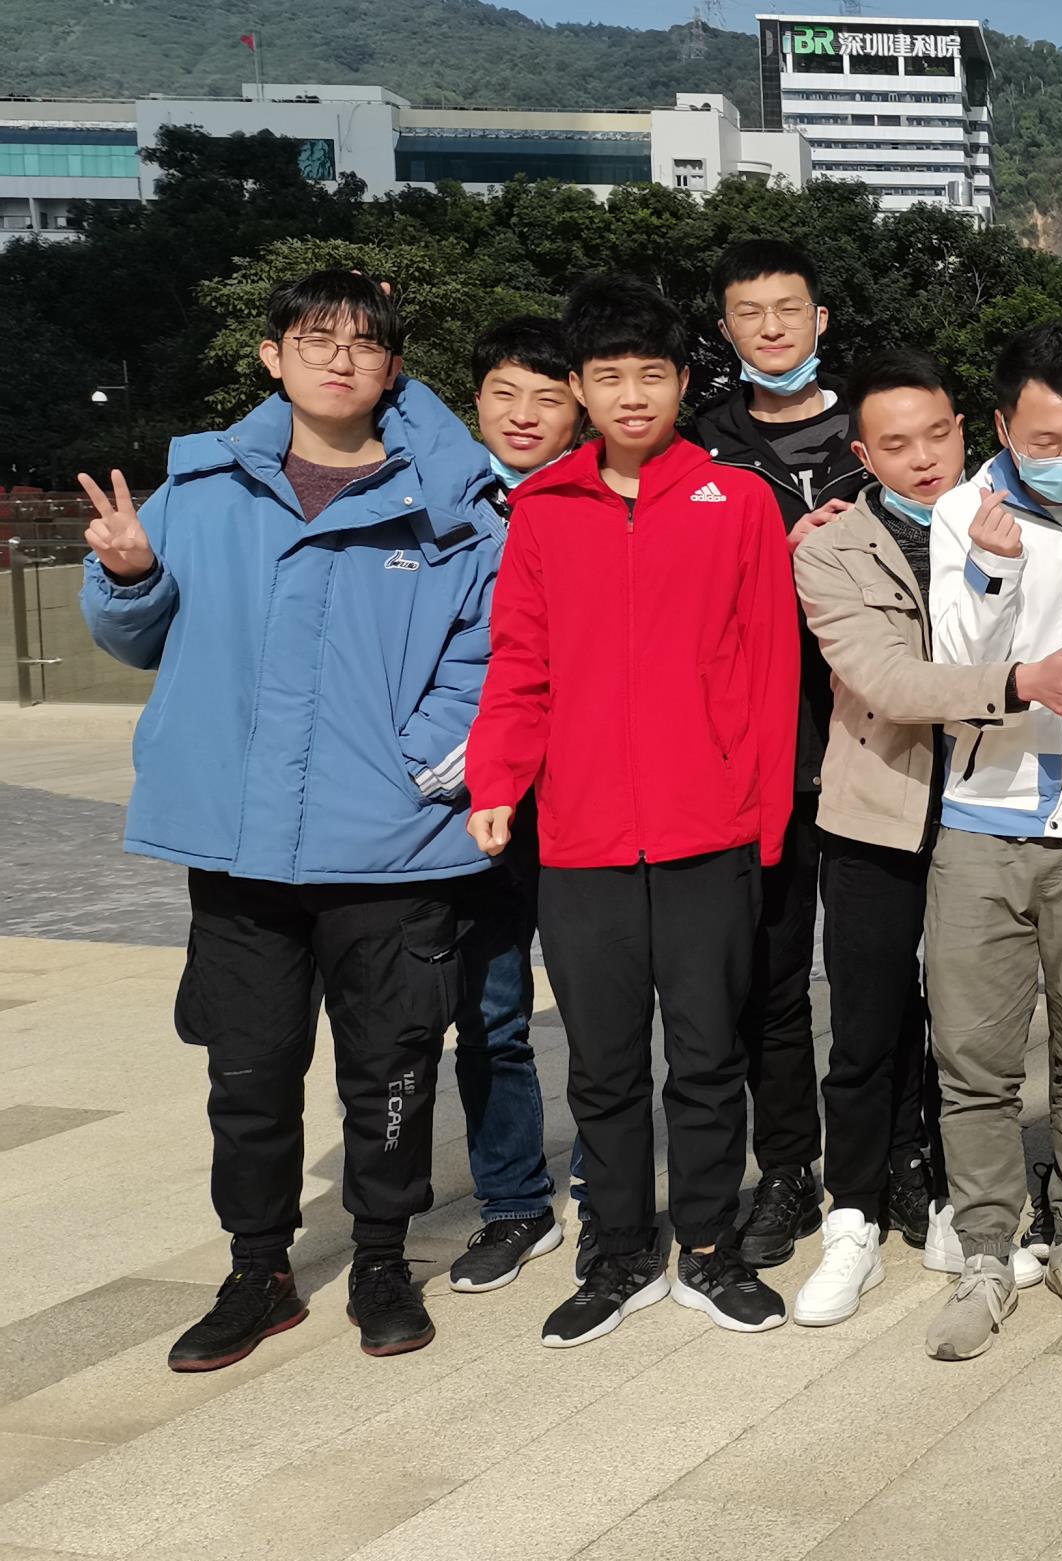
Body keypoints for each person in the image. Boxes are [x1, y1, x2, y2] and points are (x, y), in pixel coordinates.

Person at [80, 267, 501, 1371]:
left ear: (394, 369)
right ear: (273, 357)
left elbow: (485, 656)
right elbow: (132, 639)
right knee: (249, 1072)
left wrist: (415, 770)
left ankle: (380, 1257)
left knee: (392, 1066)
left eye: (363, 343)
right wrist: (128, 576)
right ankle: (258, 1269)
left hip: (390, 849)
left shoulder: (450, 504)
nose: (338, 360)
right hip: (238, 850)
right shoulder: (199, 489)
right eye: (315, 340)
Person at [466, 277, 798, 1347]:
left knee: (706, 1057)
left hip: (711, 832)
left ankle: (707, 1246)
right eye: (608, 377)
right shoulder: (543, 510)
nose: (632, 396)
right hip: (582, 837)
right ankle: (617, 1251)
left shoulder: (737, 501)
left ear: (684, 382)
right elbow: (519, 664)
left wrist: (762, 817)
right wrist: (496, 784)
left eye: (652, 375)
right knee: (604, 1065)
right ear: (579, 388)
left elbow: (769, 668)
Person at [919, 324, 1062, 1358]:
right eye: (1045, 439)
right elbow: (954, 670)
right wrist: (995, 569)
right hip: (986, 817)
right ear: (1003, 426)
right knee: (973, 1054)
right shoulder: (964, 510)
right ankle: (985, 1247)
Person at [784, 352, 1023, 1329]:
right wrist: (1020, 685)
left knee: (971, 1027)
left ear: (965, 429)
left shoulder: (1019, 520)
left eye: (936, 435)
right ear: (861, 454)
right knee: (867, 1022)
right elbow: (882, 680)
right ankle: (852, 1213)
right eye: (894, 445)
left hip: (990, 806)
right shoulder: (831, 547)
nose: (922, 459)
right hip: (876, 810)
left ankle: (953, 1195)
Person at [691, 237, 870, 1271]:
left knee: (878, 972)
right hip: (760, 750)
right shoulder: (702, 449)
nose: (771, 329)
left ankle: (894, 1156)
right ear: (726, 331)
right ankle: (790, 1167)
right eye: (750, 314)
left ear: (820, 320)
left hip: (882, 745)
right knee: (772, 978)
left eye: (788, 309)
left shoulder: (878, 430)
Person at [446, 316, 584, 1295]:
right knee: (490, 1010)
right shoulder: (437, 500)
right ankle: (513, 1202)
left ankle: (610, 1182)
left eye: (547, 397)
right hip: (475, 794)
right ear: (476, 403)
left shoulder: (606, 501)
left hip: (581, 786)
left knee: (603, 1009)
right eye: (505, 394)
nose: (525, 415)